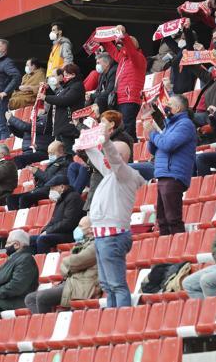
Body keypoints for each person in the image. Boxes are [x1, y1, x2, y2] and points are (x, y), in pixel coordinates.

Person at [85, 126, 145, 308]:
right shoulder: (112, 174)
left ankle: (121, 320)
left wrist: (106, 142)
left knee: (116, 285)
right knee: (108, 285)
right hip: (104, 235)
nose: (105, 157)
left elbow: (112, 158)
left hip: (112, 236)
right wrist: (86, 141)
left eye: (109, 154)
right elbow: (99, 159)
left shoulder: (125, 175)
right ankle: (113, 320)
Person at [144, 94, 197, 236]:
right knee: (162, 220)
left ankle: (178, 254)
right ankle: (166, 255)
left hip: (174, 175)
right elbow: (153, 149)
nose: (165, 106)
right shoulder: (169, 124)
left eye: (169, 104)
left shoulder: (185, 124)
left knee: (173, 219)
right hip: (164, 174)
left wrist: (153, 135)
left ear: (178, 108)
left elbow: (167, 145)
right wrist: (150, 136)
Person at [25, 216, 99, 313]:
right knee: (29, 298)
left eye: (80, 226)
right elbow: (65, 268)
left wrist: (67, 263)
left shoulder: (95, 245)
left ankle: (47, 326)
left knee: (42, 297)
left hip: (82, 285)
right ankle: (43, 324)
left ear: (91, 230)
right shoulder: (80, 244)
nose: (77, 229)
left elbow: (74, 262)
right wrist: (68, 265)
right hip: (70, 282)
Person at [79, 110, 134, 211]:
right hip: (98, 181)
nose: (100, 125)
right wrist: (82, 152)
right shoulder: (101, 138)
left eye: (103, 122)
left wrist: (87, 151)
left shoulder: (121, 139)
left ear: (112, 124)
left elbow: (104, 164)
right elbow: (94, 162)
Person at [101, 26, 147, 139]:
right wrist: (102, 38)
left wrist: (124, 35)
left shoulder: (138, 58)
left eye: (122, 44)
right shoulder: (123, 58)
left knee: (128, 128)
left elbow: (130, 49)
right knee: (121, 128)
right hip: (121, 98)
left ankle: (130, 152)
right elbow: (112, 50)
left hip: (130, 98)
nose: (120, 46)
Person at [0, 230, 39, 319]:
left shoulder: (25, 259)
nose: (5, 246)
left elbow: (17, 285)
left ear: (16, 244)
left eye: (8, 243)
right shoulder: (16, 258)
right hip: (3, 298)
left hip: (14, 300)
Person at [7, 141, 70, 210]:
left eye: (51, 153)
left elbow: (55, 180)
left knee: (25, 198)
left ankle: (26, 218)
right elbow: (45, 177)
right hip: (39, 190)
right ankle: (16, 218)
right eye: (48, 153)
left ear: (61, 152)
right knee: (11, 198)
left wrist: (37, 172)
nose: (49, 156)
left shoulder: (65, 164)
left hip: (49, 191)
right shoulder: (54, 163)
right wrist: (36, 177)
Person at [29, 175, 84, 254]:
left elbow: (68, 223)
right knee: (31, 240)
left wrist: (48, 232)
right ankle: (37, 263)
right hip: (60, 232)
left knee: (42, 240)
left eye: (52, 188)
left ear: (62, 187)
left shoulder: (73, 198)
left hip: (70, 234)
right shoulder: (61, 199)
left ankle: (46, 264)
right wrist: (44, 230)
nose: (50, 191)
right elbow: (53, 220)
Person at [37, 63, 85, 152]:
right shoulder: (68, 86)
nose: (64, 77)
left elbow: (64, 100)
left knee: (69, 152)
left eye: (66, 74)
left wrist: (45, 98)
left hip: (68, 126)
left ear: (73, 74)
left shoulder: (77, 86)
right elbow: (57, 98)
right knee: (61, 154)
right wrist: (47, 90)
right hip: (62, 126)